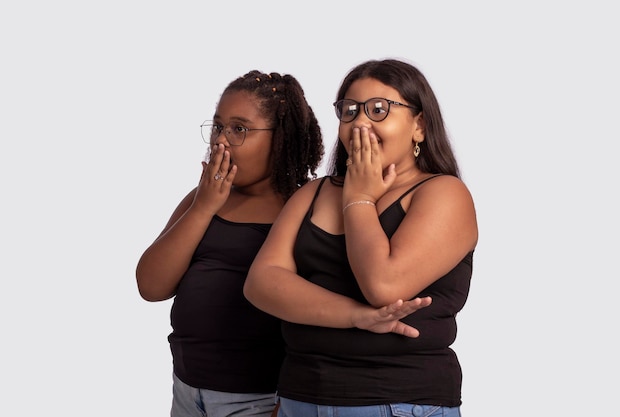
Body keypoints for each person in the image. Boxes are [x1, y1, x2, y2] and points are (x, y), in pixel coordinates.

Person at [243, 58, 478, 417]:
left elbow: (383, 285)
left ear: (419, 125)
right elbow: (261, 283)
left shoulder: (444, 194)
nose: (360, 122)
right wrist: (356, 316)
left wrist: (360, 198)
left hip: (397, 401)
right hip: (299, 398)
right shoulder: (314, 192)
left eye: (379, 109)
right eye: (349, 111)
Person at [135, 70, 326, 417]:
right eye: (218, 126)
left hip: (260, 400)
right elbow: (150, 285)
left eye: (239, 129)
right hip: (187, 391)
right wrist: (204, 207)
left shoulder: (301, 209)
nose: (221, 141)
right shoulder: (204, 199)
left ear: (280, 138)